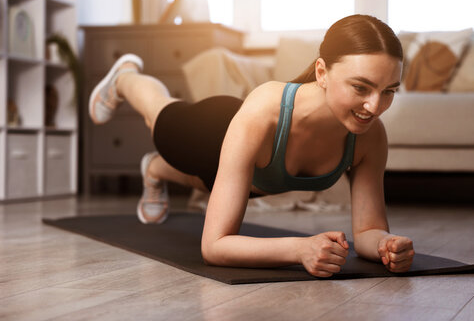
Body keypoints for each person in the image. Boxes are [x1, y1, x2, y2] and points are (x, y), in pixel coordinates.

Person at [89, 14, 415, 277]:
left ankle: (153, 169)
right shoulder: (266, 111)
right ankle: (125, 77)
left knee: (204, 181)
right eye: (361, 87)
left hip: (247, 179)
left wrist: (387, 244)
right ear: (322, 72)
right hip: (208, 131)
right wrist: (299, 249)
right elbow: (214, 246)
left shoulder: (369, 137)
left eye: (388, 91)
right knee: (157, 113)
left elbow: (369, 229)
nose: (374, 106)